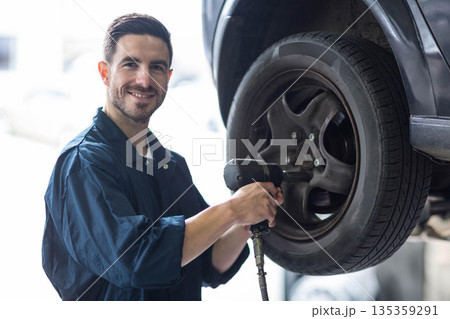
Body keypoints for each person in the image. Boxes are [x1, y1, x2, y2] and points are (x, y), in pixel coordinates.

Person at [42, 13, 283, 301]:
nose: (144, 80)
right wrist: (232, 209)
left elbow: (208, 263)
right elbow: (137, 260)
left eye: (156, 67)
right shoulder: (83, 164)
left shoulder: (170, 164)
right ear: (105, 72)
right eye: (131, 64)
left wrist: (244, 223)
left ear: (168, 78)